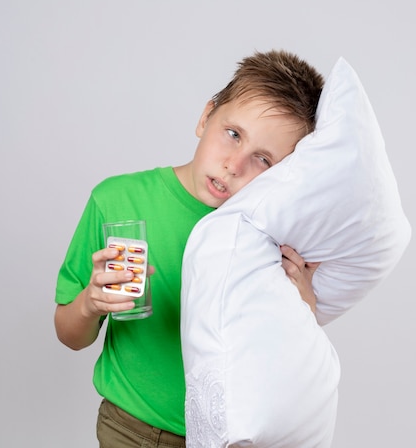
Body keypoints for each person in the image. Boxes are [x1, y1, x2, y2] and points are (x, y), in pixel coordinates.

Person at [54, 49, 325, 448]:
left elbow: (285, 359)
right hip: (128, 429)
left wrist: (305, 309)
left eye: (263, 160)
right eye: (233, 134)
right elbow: (70, 335)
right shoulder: (117, 201)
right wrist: (90, 304)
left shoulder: (273, 240)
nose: (234, 164)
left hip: (226, 439)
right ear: (205, 117)